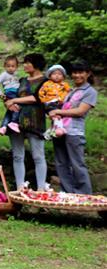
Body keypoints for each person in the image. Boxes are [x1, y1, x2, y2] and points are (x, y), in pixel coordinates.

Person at [49, 60, 97, 194]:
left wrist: (59, 112)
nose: (77, 75)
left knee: (77, 164)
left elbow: (80, 111)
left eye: (81, 72)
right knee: (61, 163)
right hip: (59, 131)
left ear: (88, 74)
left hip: (74, 133)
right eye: (74, 72)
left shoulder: (90, 91)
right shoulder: (69, 90)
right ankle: (68, 193)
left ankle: (84, 195)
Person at [5, 53, 48, 190]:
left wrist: (15, 100)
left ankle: (41, 189)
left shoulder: (45, 81)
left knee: (38, 156)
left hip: (36, 122)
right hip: (17, 121)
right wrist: (8, 102)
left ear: (36, 64)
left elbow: (37, 98)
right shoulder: (22, 80)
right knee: (17, 156)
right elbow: (11, 94)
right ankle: (19, 187)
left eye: (28, 62)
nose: (24, 65)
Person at [39, 65, 71, 140]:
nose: (57, 76)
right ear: (50, 76)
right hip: (50, 102)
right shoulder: (47, 84)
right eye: (54, 74)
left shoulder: (64, 84)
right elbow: (41, 92)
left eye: (59, 74)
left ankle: (51, 130)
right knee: (56, 116)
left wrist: (64, 97)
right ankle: (58, 128)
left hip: (60, 102)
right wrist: (44, 100)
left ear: (63, 77)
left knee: (60, 115)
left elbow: (69, 91)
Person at [0, 55, 21, 135]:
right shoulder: (4, 74)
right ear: (4, 66)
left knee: (10, 111)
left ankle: (4, 127)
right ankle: (14, 122)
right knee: (17, 107)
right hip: (10, 92)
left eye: (13, 66)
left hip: (16, 92)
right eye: (8, 66)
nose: (10, 68)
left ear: (17, 67)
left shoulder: (16, 74)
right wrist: (0, 93)